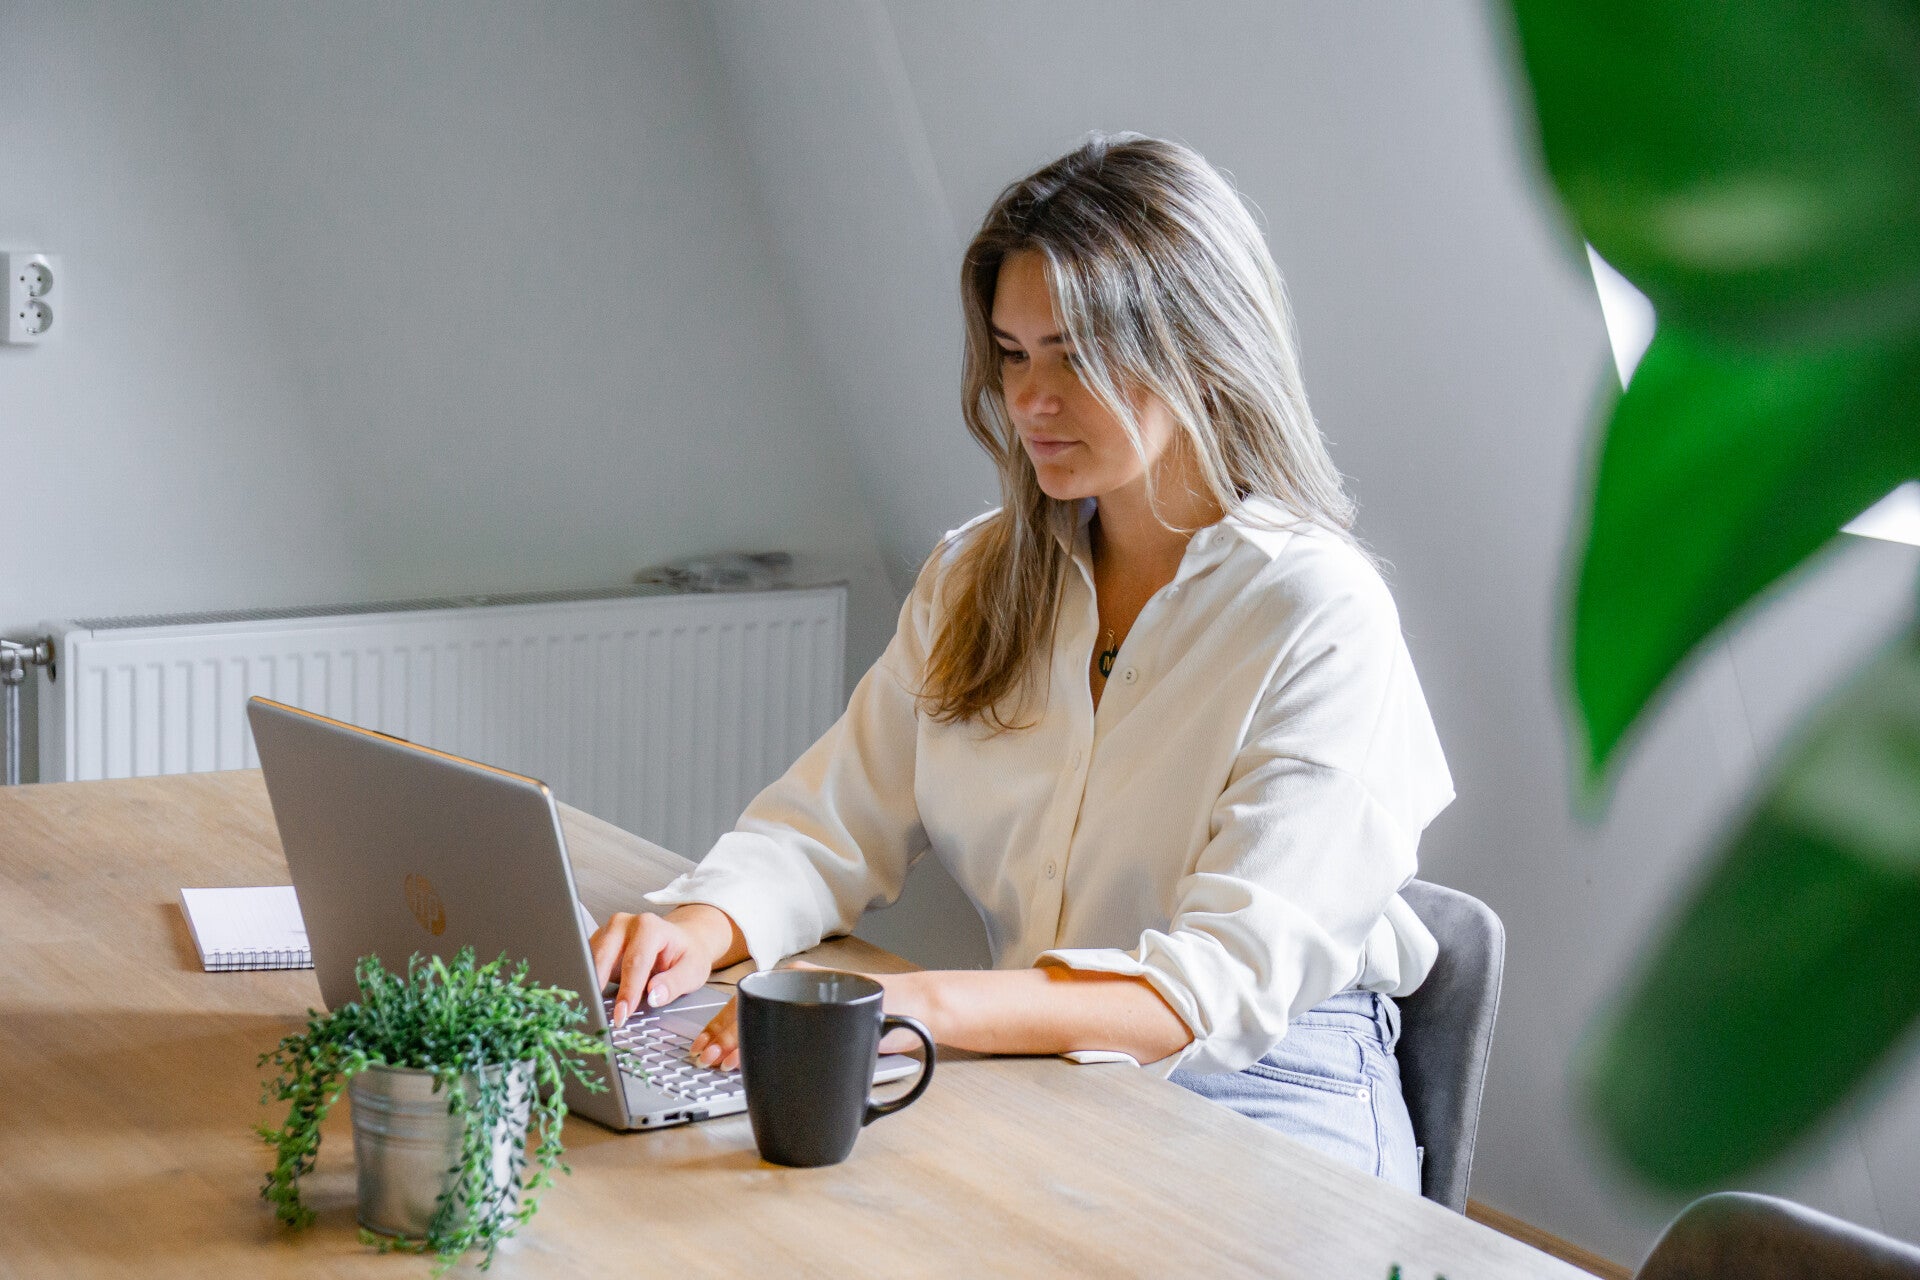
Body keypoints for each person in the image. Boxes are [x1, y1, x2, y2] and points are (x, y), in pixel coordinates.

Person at [590, 132, 1453, 1189]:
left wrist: (912, 1004)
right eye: (1011, 354)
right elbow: (829, 824)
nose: (1030, 400)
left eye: (1074, 356)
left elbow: (1216, 986)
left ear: (1200, 349)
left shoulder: (1318, 614)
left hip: (1271, 1083)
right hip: (1039, 1059)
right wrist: (699, 924)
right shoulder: (978, 577)